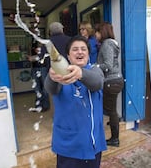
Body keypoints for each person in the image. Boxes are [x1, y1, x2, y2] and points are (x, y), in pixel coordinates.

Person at [44, 35, 107, 168]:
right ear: (68, 55)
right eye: (75, 49)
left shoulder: (95, 70)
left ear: (89, 54)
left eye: (83, 49)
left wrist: (81, 73)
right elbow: (50, 89)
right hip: (69, 146)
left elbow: (97, 82)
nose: (80, 52)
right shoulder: (60, 73)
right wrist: (52, 77)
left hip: (93, 144)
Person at [95, 22, 122, 147]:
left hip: (111, 81)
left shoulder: (107, 44)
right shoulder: (113, 43)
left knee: (111, 111)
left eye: (97, 31)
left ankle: (115, 139)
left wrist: (95, 66)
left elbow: (108, 65)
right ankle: (114, 124)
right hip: (116, 80)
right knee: (112, 111)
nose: (96, 34)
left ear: (102, 32)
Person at [27, 41, 50, 113]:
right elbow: (30, 57)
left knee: (45, 88)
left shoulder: (44, 45)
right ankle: (38, 105)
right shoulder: (31, 45)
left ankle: (45, 106)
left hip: (43, 68)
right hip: (35, 68)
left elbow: (45, 57)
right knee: (37, 88)